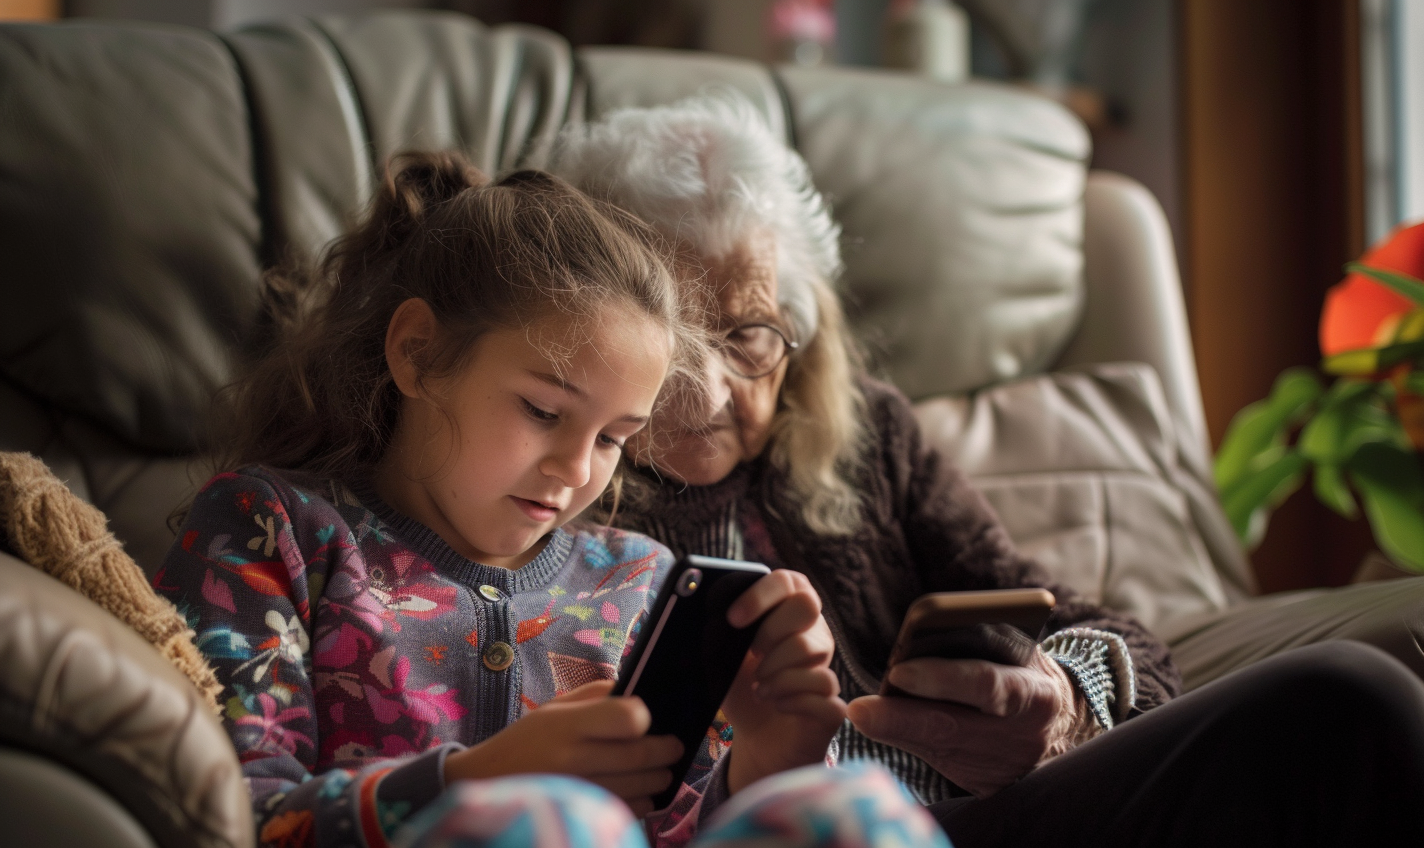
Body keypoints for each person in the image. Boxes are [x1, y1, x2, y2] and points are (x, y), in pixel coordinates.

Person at [550, 95, 1424, 847]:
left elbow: (1107, 631)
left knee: (1348, 697)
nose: (717, 386)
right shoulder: (546, 481)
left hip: (983, 816)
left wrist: (1061, 704)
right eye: (681, 340)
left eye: (750, 335)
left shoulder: (868, 433)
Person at [154, 152, 950, 848]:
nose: (577, 469)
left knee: (857, 808)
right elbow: (233, 817)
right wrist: (474, 780)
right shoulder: (275, 533)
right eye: (542, 411)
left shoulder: (639, 582)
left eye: (613, 439)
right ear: (419, 353)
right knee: (552, 826)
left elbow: (674, 827)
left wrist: (763, 767)